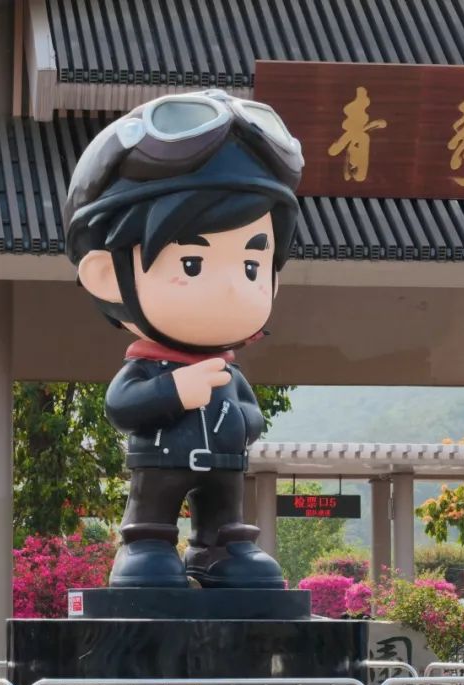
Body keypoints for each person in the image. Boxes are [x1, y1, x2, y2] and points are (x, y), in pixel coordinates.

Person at [64, 89, 303, 589]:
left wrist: (243, 420)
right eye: (192, 264)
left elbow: (252, 414)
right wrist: (173, 391)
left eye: (251, 265)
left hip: (225, 464)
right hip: (161, 461)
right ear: (107, 276)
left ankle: (221, 545)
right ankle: (146, 542)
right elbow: (121, 405)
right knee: (153, 506)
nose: (233, 287)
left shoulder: (228, 372)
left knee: (226, 510)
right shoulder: (147, 366)